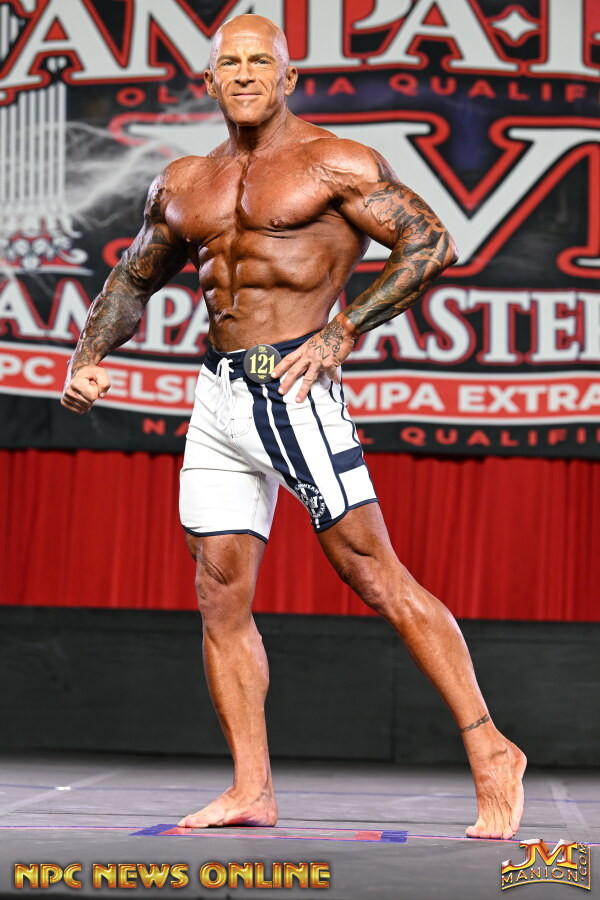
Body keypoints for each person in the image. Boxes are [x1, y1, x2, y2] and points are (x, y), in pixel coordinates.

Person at [61, 14, 526, 840]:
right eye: (229, 63)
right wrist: (88, 354)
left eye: (260, 61)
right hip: (218, 396)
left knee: (372, 573)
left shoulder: (332, 161)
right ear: (210, 79)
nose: (244, 74)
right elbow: (134, 276)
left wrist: (343, 331)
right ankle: (252, 788)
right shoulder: (184, 181)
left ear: (288, 76)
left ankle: (492, 748)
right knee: (218, 593)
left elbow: (430, 242)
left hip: (294, 385)